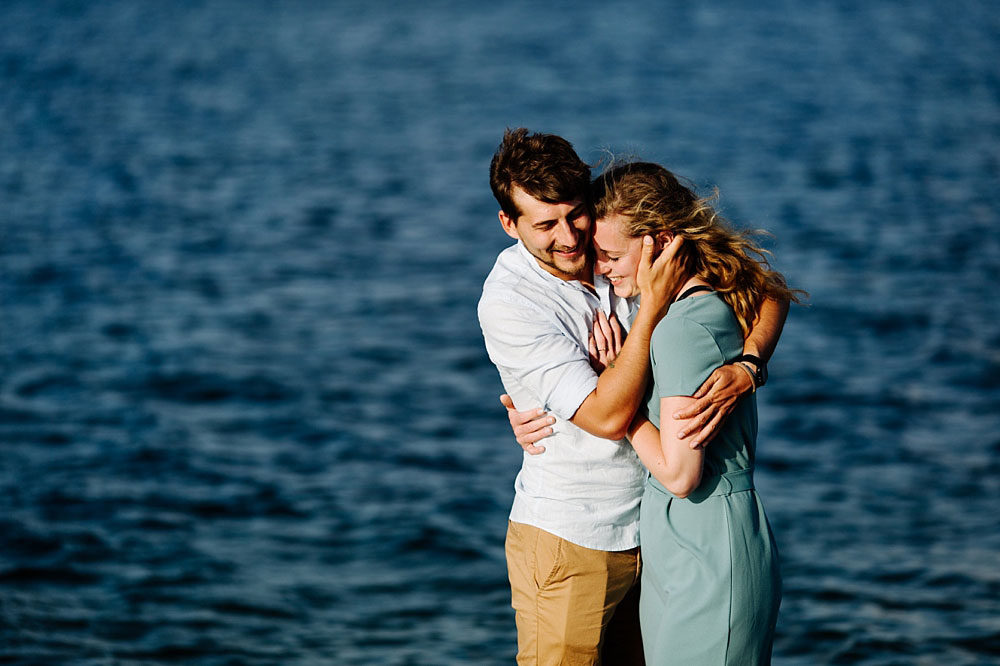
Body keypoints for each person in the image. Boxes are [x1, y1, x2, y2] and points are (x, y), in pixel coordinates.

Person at [479, 129, 787, 665]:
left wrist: (750, 363)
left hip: (657, 536)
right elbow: (608, 413)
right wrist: (649, 313)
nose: (570, 239)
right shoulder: (512, 301)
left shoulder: (612, 242)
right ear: (509, 224)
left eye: (574, 215)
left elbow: (766, 290)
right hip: (574, 541)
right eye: (545, 224)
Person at [591, 161, 801, 664]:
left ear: (659, 240)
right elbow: (770, 290)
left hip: (708, 552)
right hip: (690, 547)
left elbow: (681, 474)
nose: (601, 267)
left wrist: (615, 402)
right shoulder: (690, 304)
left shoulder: (680, 327)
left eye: (611, 255)